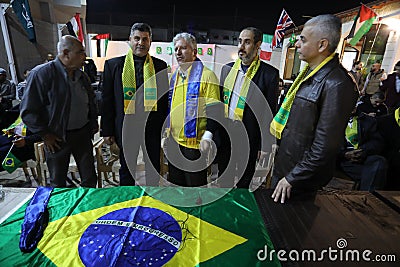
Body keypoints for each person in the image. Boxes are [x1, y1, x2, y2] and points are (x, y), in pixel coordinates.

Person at [270, 14, 359, 203]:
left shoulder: (337, 83)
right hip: (286, 169)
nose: (297, 45)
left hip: (300, 181)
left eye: (302, 39)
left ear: (322, 45)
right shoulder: (308, 74)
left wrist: (293, 177)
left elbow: (325, 146)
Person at [20, 35, 98, 188]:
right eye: (80, 52)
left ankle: (89, 209)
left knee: (89, 178)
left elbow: (91, 102)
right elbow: (28, 111)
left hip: (82, 134)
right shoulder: (42, 74)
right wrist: (45, 134)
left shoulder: (82, 76)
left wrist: (93, 122)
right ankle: (61, 211)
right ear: (66, 53)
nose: (84, 56)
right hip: (56, 138)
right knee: (58, 182)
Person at [100, 22, 169, 186]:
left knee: (153, 166)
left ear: (150, 41)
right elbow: (107, 100)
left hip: (150, 127)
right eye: (137, 38)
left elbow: (164, 100)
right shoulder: (114, 65)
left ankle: (152, 199)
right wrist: (107, 130)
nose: (141, 43)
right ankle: (127, 201)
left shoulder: (160, 66)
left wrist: (163, 126)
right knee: (127, 167)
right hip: (126, 126)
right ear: (130, 40)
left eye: (145, 39)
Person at [217, 26, 279, 189]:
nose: (241, 47)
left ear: (258, 45)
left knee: (244, 180)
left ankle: (240, 212)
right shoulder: (227, 69)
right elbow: (219, 104)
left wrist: (264, 145)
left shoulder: (269, 74)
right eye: (239, 41)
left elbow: (269, 113)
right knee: (224, 178)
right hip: (226, 133)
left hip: (249, 136)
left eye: (247, 42)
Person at [163, 32, 220, 187]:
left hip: (194, 145)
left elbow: (216, 111)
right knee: (177, 186)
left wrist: (208, 135)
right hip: (174, 142)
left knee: (194, 189)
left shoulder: (207, 76)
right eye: (176, 49)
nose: (178, 52)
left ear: (194, 52)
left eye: (183, 48)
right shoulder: (175, 76)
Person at [336, 107, 387, 191]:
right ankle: (368, 198)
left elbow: (377, 142)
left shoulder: (368, 120)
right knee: (374, 175)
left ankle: (367, 198)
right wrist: (344, 154)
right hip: (341, 158)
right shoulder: (331, 119)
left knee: (379, 161)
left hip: (362, 156)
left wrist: (364, 151)